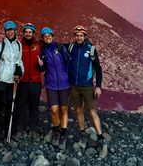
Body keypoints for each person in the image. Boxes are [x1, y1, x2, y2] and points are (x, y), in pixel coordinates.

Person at [67, 25, 107, 158]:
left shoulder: (91, 49)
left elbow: (98, 69)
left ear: (85, 36)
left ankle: (101, 140)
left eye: (81, 35)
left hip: (87, 86)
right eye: (77, 35)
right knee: (78, 110)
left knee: (92, 111)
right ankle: (83, 135)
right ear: (75, 36)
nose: (79, 37)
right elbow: (57, 46)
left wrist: (98, 86)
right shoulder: (71, 47)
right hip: (74, 86)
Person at [38, 27, 70, 150]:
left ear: (52, 36)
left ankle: (63, 134)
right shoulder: (44, 51)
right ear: (43, 38)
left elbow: (68, 63)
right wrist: (40, 65)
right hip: (51, 85)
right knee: (54, 110)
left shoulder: (60, 48)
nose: (47, 37)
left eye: (49, 35)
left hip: (64, 84)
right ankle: (56, 130)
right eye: (44, 36)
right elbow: (42, 69)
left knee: (64, 109)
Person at [13, 23, 42, 140]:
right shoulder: (19, 45)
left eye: (30, 32)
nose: (28, 34)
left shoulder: (39, 45)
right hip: (23, 81)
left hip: (36, 82)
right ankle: (19, 128)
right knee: (21, 106)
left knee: (34, 106)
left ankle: (34, 129)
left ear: (33, 33)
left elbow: (44, 62)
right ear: (23, 33)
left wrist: (41, 66)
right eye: (26, 32)